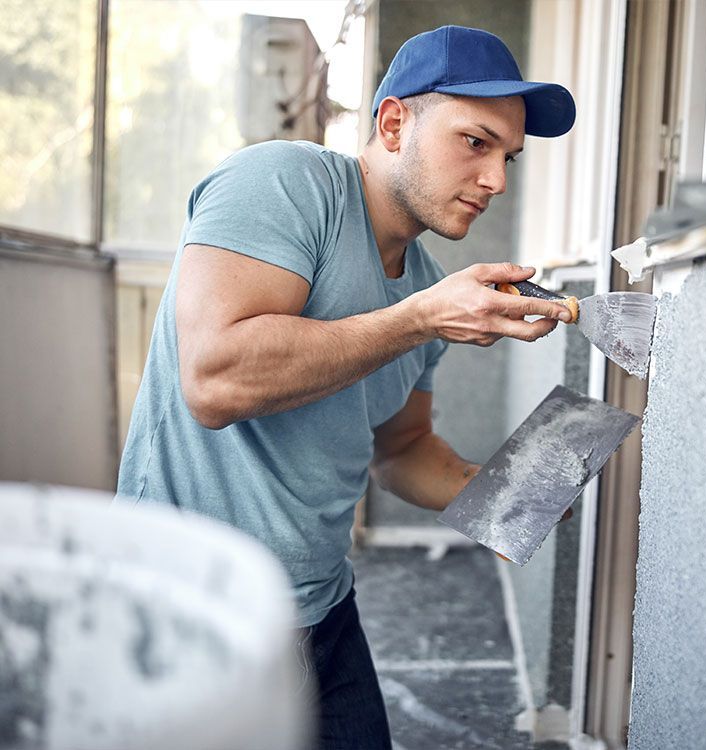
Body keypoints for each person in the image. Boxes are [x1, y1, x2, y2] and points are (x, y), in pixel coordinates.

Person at [116, 24, 576, 749]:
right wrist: (419, 319)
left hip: (321, 605)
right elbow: (214, 377)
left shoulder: (425, 288)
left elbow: (402, 449)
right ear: (395, 123)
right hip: (196, 609)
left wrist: (505, 500)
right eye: (476, 142)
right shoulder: (284, 181)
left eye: (509, 157)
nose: (497, 181)